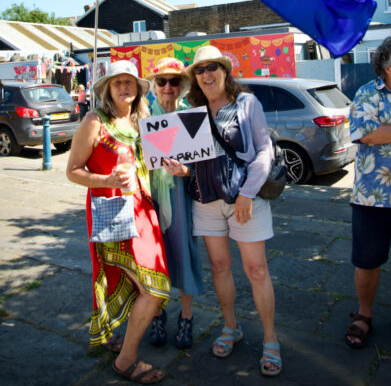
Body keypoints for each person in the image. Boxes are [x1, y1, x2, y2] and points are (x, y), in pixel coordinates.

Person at [164, 45, 281, 377]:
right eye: (199, 70)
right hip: (206, 202)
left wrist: (247, 194)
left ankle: (271, 339)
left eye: (212, 67)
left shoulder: (247, 104)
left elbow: (263, 151)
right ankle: (231, 327)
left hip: (244, 201)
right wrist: (181, 170)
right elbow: (195, 163)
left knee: (256, 270)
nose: (206, 74)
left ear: (225, 71)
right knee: (219, 267)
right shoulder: (192, 111)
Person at [67, 60, 170, 384]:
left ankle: (114, 338)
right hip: (112, 213)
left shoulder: (142, 121)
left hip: (143, 213)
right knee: (153, 290)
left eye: (130, 82)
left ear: (139, 89)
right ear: (108, 89)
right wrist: (106, 177)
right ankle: (126, 361)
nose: (124, 87)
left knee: (142, 286)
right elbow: (72, 170)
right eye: (117, 83)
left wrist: (175, 164)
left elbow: (158, 163)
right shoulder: (95, 121)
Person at [345, 33, 391, 350]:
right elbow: (366, 134)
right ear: (386, 68)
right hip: (372, 199)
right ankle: (364, 315)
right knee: (367, 262)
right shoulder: (366, 94)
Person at [146, 57, 204, 349]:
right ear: (154, 86)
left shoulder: (191, 115)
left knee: (183, 251)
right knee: (152, 258)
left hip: (179, 197)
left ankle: (187, 316)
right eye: (162, 81)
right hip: (150, 197)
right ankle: (157, 313)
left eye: (174, 81)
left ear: (182, 85)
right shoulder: (142, 116)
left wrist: (187, 170)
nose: (168, 87)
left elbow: (203, 165)